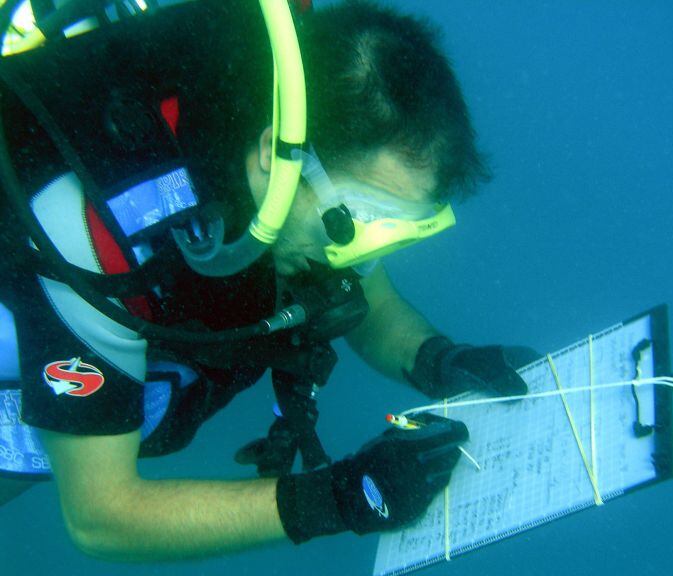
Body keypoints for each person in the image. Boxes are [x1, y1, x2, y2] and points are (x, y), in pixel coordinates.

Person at [0, 0, 537, 560]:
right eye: (360, 223)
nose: (354, 257)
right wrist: (339, 497)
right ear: (269, 155)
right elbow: (101, 516)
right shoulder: (90, 231)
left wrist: (439, 361)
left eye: (396, 235)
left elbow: (371, 304)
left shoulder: (309, 160)